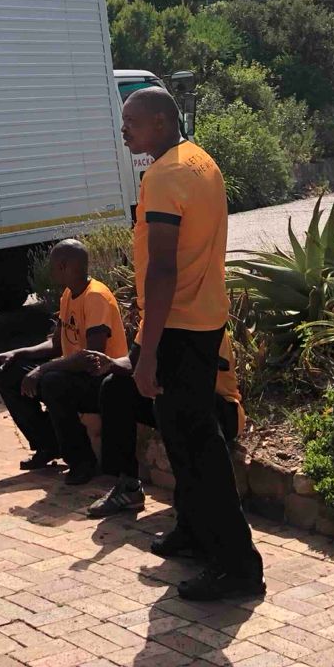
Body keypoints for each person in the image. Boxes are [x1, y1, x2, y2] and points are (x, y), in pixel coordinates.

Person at [118, 87, 265, 602]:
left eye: (132, 120)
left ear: (160, 122)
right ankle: (194, 531)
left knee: (200, 448)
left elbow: (162, 268)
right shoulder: (199, 160)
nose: (124, 129)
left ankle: (238, 566)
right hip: (200, 319)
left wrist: (149, 350)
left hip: (177, 328)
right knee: (181, 440)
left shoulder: (164, 176)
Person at [0, 240, 128, 484]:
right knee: (5, 370)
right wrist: (17, 353)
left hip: (103, 381)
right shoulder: (68, 295)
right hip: (74, 373)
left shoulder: (96, 297)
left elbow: (92, 358)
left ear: (64, 266)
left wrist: (42, 370)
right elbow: (56, 345)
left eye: (52, 264)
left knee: (53, 382)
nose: (49, 269)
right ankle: (47, 445)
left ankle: (82, 461)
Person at [83, 329, 245, 519]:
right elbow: (134, 361)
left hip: (219, 410)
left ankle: (196, 502)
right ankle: (128, 486)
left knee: (175, 397)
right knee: (115, 387)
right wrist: (111, 363)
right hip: (170, 401)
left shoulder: (202, 320)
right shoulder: (152, 321)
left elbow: (197, 372)